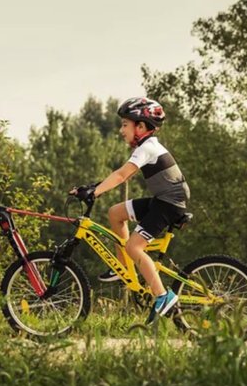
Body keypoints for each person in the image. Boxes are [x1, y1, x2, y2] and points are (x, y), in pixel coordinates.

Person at [71, 97, 190, 323]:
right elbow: (118, 175)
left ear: (141, 126)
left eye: (125, 124)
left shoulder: (148, 147)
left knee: (134, 246)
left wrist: (95, 193)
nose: (120, 130)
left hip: (169, 204)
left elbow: (121, 175)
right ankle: (123, 267)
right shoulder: (146, 147)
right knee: (116, 213)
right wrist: (92, 187)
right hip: (161, 200)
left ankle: (163, 295)